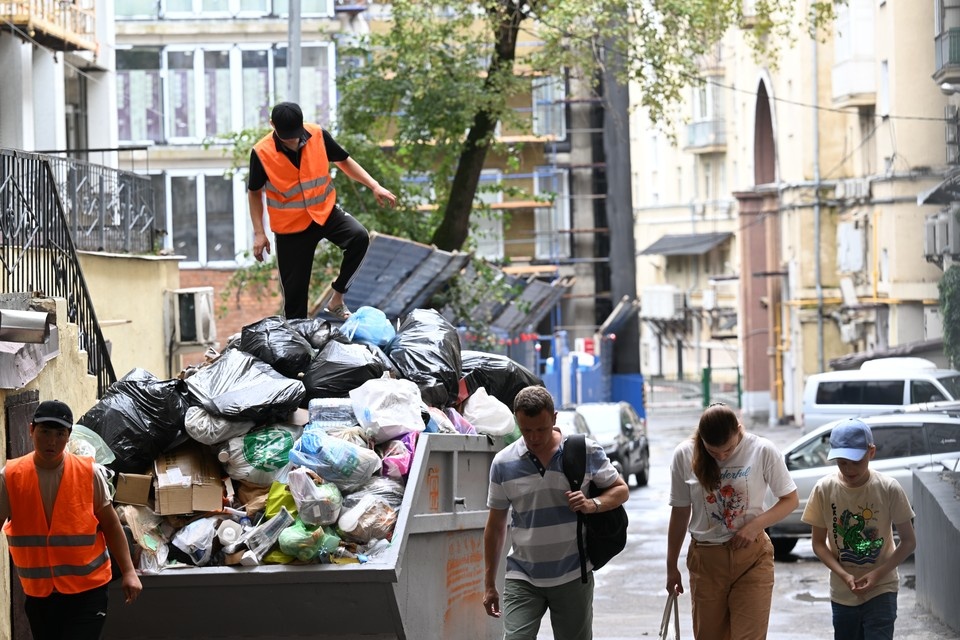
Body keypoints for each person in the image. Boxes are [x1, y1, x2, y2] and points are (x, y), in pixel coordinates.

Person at [482, 386, 629, 640]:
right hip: (522, 576)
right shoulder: (503, 463)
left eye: (541, 429)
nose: (534, 437)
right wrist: (488, 584)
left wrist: (592, 504)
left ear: (555, 418)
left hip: (573, 575)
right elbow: (495, 526)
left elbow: (620, 490)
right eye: (526, 430)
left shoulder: (585, 451)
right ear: (517, 421)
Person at [0, 400, 142, 640]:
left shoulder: (89, 473)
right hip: (39, 593)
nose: (52, 441)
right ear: (31, 430)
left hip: (88, 590)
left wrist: (129, 571)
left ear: (68, 437)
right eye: (45, 432)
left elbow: (110, 525)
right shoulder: (10, 476)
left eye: (60, 434)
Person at [247, 101, 397, 320]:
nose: (292, 140)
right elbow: (254, 192)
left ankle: (337, 299)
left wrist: (374, 185)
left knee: (359, 238)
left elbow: (344, 161)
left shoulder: (317, 135)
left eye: (295, 134)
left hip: (324, 212)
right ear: (272, 125)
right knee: (295, 303)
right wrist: (259, 232)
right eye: (286, 136)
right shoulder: (261, 152)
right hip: (291, 228)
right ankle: (297, 347)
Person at [665, 402, 799, 640]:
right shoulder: (684, 454)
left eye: (727, 450)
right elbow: (680, 512)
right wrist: (671, 566)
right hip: (707, 560)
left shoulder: (762, 450)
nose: (722, 456)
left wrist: (755, 526)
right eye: (713, 452)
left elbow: (790, 499)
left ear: (739, 429)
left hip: (752, 557)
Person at [800, 419, 916, 640]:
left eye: (855, 461)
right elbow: (817, 544)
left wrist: (878, 573)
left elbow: (909, 541)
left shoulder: (888, 488)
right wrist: (844, 575)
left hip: (882, 588)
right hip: (843, 593)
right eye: (842, 462)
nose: (849, 469)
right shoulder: (824, 489)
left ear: (871, 452)